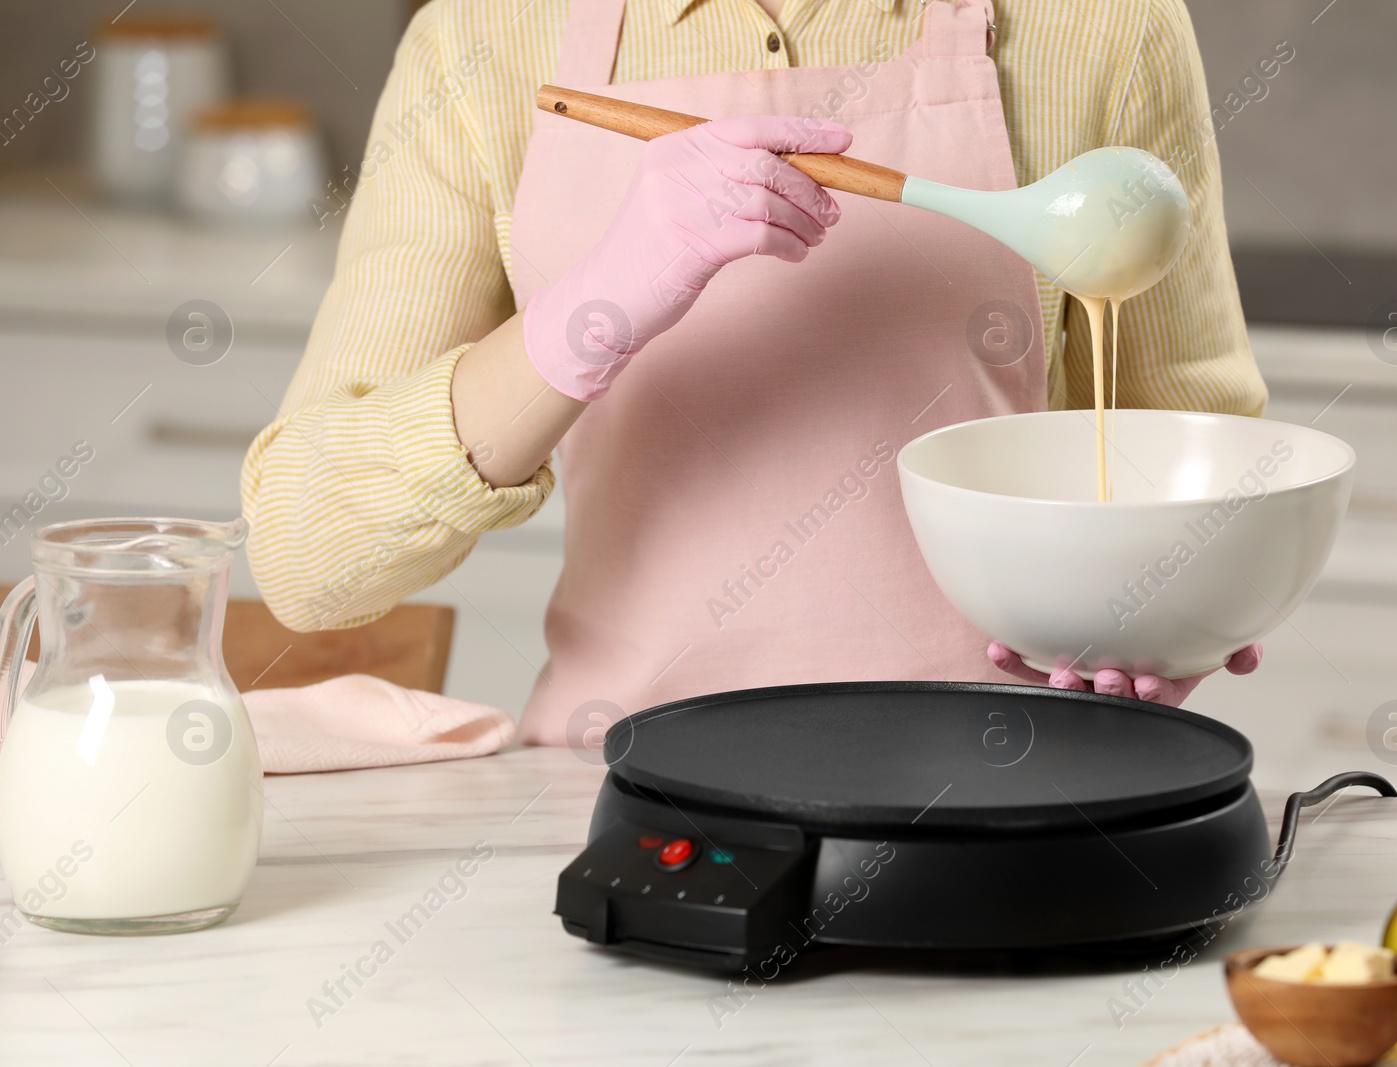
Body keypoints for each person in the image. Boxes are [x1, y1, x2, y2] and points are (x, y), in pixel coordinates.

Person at [242, 0, 1268, 745]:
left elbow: (1199, 454)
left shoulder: (1100, 27)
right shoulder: (483, 40)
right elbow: (306, 557)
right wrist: (590, 309)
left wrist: (1170, 612)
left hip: (1011, 786)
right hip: (626, 799)